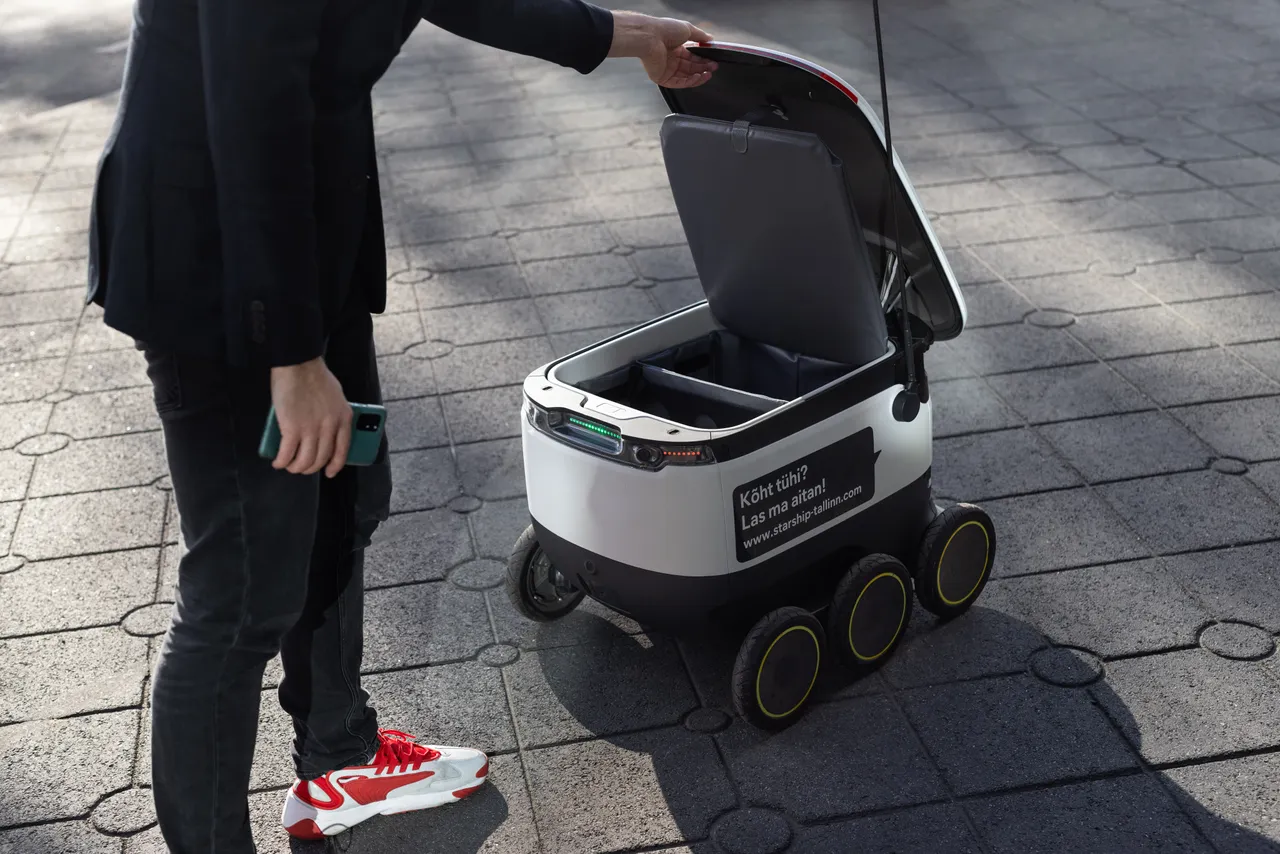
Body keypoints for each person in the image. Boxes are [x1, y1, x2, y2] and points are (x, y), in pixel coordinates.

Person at [85, 1, 716, 850]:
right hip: (220, 275)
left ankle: (340, 760)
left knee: (350, 500)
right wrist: (293, 357)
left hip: (310, 252)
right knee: (239, 598)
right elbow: (251, 109)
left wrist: (630, 35)